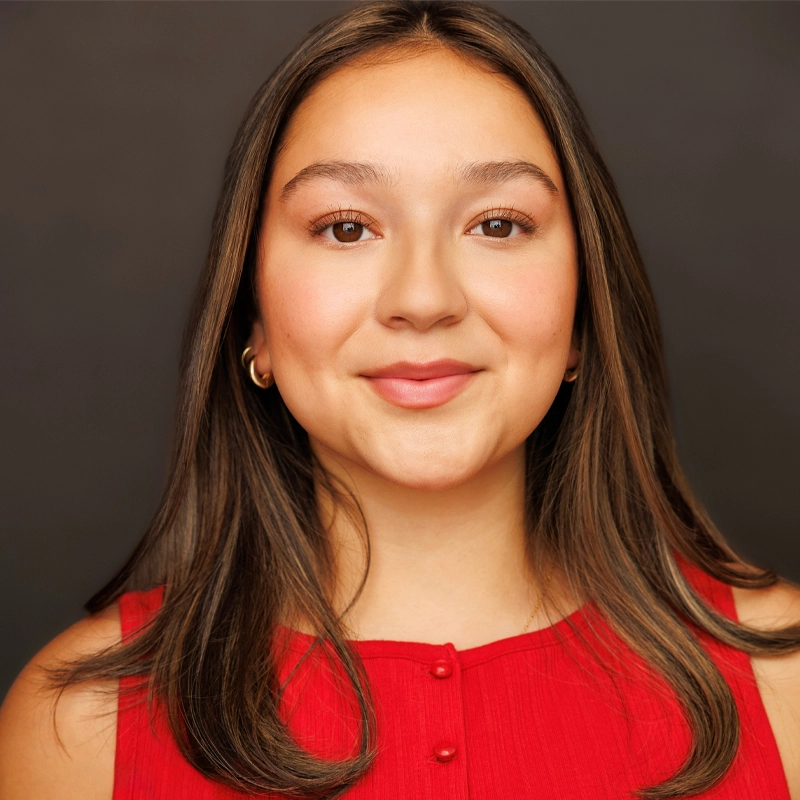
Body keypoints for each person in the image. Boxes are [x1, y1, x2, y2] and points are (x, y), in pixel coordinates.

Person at [0, 1, 798, 797]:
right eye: (346, 228)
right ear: (256, 324)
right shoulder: (80, 726)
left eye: (498, 224)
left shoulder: (787, 685)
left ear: (584, 319)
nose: (422, 298)